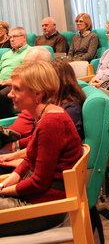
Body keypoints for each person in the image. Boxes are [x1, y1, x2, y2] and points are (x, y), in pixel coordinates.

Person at [0, 61, 82, 236]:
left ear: (38, 92)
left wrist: (3, 191)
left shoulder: (52, 122)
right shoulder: (46, 114)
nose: (10, 95)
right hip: (36, 200)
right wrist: (3, 185)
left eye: (17, 89)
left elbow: (39, 182)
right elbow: (29, 160)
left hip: (43, 209)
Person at [0, 60, 87, 171]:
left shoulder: (60, 115)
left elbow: (42, 171)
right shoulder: (46, 109)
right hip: (23, 154)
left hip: (34, 168)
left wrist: (15, 150)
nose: (10, 94)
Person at [0, 27, 31, 119]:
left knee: (1, 95)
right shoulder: (6, 54)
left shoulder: (30, 52)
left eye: (15, 36)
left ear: (24, 37)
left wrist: (9, 82)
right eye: (10, 37)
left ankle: (4, 123)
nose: (12, 39)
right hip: (2, 83)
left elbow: (28, 74)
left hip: (17, 83)